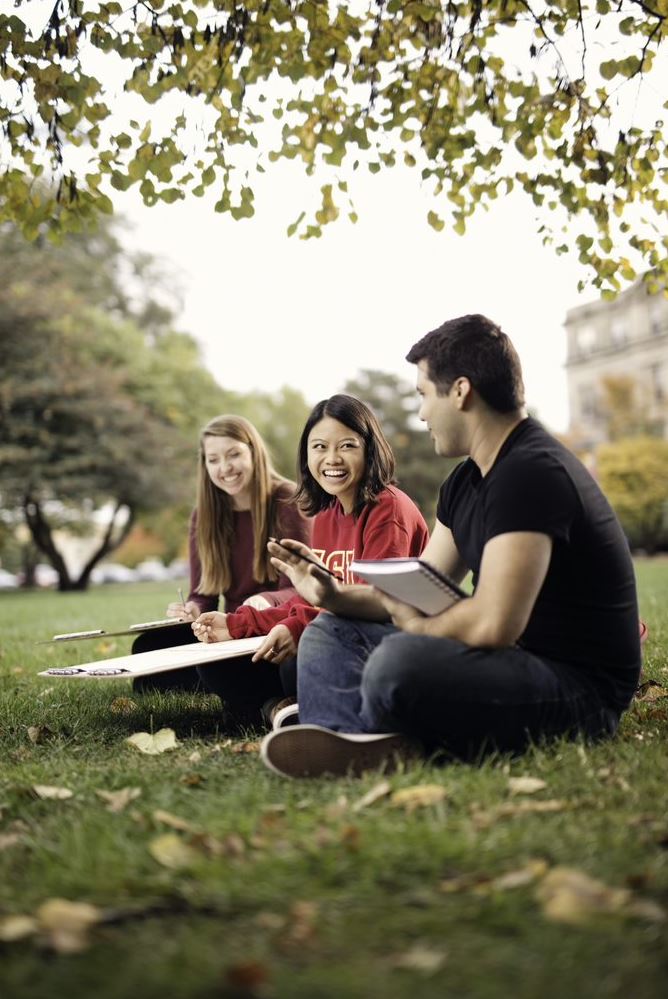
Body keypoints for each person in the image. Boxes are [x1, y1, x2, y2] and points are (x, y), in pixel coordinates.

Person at [260, 314, 643, 778]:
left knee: (398, 662)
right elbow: (421, 587)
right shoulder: (466, 481)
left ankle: (377, 729)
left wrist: (416, 632)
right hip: (511, 663)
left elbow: (493, 623)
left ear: (460, 391)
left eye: (423, 394)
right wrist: (332, 596)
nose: (421, 413)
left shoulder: (531, 471)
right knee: (330, 630)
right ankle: (356, 742)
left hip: (578, 690)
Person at [191, 394, 429, 728]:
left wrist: (297, 627)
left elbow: (373, 604)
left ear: (370, 449)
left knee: (299, 655)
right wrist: (235, 624)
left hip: (384, 643)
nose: (332, 458)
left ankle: (282, 706)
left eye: (346, 446)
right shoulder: (328, 514)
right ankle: (280, 707)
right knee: (217, 663)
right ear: (306, 454)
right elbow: (310, 599)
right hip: (331, 632)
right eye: (319, 447)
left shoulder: (388, 510)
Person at [131, 414, 311, 694]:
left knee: (205, 671)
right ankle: (223, 680)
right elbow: (204, 594)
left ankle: (230, 683)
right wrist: (192, 609)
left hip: (274, 624)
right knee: (146, 647)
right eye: (213, 460)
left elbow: (304, 587)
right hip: (228, 627)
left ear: (253, 452)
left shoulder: (288, 500)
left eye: (233, 455)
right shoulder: (203, 515)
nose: (225, 468)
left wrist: (265, 599)